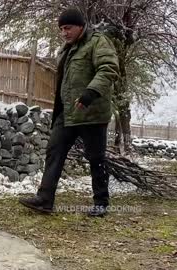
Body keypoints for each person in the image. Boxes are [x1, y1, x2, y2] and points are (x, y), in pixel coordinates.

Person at [19, 7, 119, 217]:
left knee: (96, 158)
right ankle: (45, 199)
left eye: (68, 28)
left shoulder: (97, 42)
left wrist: (90, 93)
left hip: (92, 112)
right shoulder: (66, 49)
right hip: (68, 113)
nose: (64, 32)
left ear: (80, 26)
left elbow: (109, 67)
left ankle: (101, 203)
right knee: (54, 152)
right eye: (61, 29)